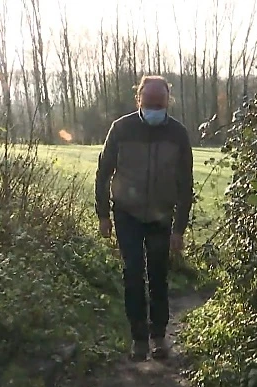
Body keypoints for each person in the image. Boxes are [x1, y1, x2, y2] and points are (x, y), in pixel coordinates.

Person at [94, 75, 194, 361]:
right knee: (133, 274)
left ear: (167, 102)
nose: (154, 108)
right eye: (149, 103)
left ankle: (159, 336)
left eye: (159, 104)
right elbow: (103, 174)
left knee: (159, 275)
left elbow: (185, 183)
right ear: (139, 100)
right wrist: (103, 215)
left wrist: (179, 229)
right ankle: (138, 338)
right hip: (127, 213)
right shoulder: (121, 129)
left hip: (162, 215)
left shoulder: (178, 134)